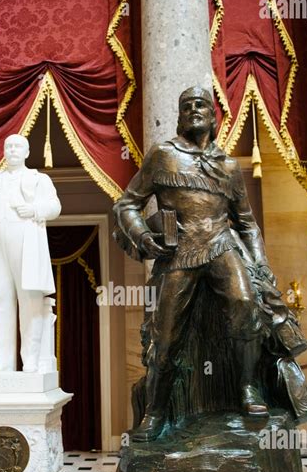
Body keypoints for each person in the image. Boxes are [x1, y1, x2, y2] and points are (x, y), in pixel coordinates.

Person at [114, 87, 278, 442]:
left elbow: (247, 223)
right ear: (179, 115)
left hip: (221, 245)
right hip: (179, 253)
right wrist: (143, 237)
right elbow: (127, 204)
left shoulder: (229, 166)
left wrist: (261, 266)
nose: (193, 109)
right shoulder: (162, 155)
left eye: (201, 104)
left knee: (245, 304)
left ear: (213, 114)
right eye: (186, 105)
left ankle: (248, 388)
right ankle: (155, 411)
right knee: (166, 334)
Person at [0, 134, 61, 373]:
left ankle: (30, 359)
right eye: (8, 146)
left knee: (29, 300)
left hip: (25, 240)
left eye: (17, 146)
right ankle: (3, 360)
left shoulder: (38, 178)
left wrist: (33, 209)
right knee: (0, 300)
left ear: (26, 152)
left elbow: (54, 206)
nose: (12, 150)